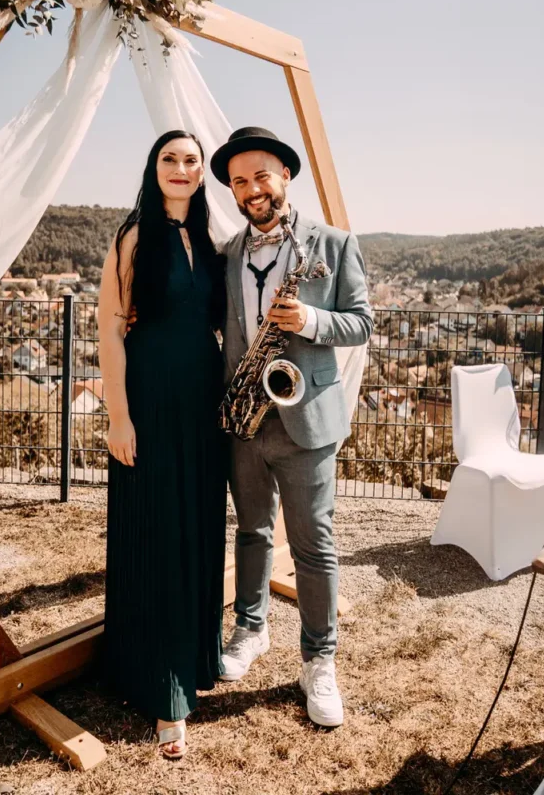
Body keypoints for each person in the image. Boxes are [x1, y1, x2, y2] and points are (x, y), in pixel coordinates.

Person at [210, 126, 373, 727]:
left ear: (285, 176)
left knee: (313, 545)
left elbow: (361, 323)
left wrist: (308, 318)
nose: (252, 189)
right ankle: (250, 630)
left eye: (261, 176)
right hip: (247, 418)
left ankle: (319, 660)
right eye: (239, 181)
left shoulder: (332, 244)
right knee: (251, 531)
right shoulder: (227, 253)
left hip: (307, 419)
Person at [98, 129, 227, 760]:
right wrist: (119, 417)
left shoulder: (208, 239)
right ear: (154, 168)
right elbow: (110, 332)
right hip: (148, 402)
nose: (180, 168)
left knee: (197, 529)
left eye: (191, 161)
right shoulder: (132, 236)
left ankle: (196, 658)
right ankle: (164, 690)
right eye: (169, 159)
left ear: (202, 174)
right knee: (158, 531)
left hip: (203, 407)